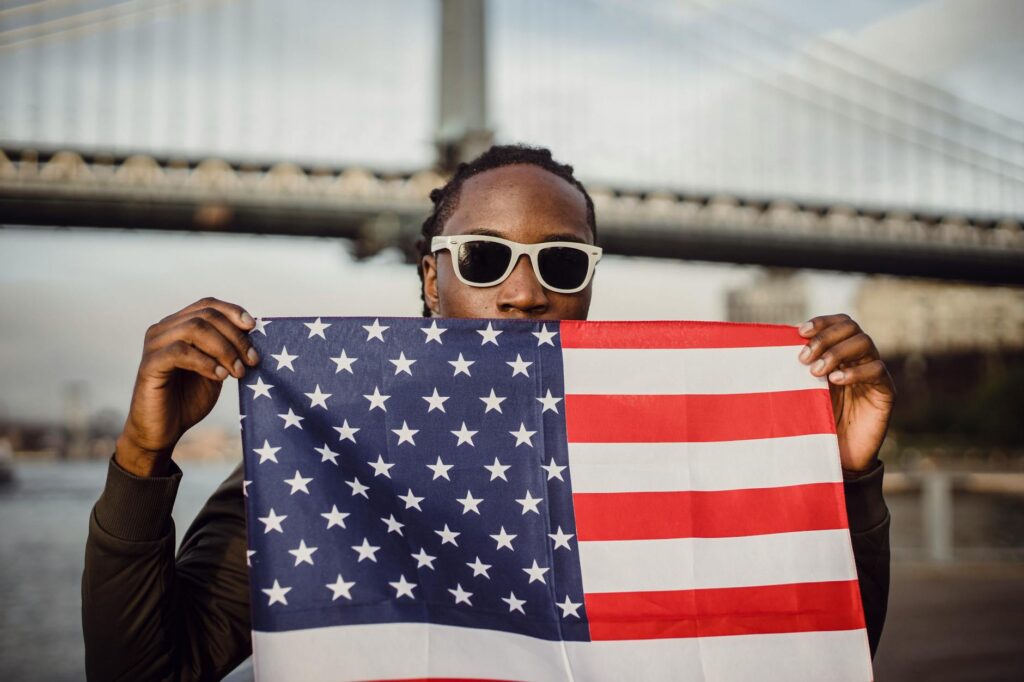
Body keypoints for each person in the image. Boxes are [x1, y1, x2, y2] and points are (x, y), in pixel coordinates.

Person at [82, 144, 894, 681]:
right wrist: (142, 458)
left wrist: (850, 480)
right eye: (484, 255)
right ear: (433, 280)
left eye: (561, 261)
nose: (524, 291)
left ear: (586, 286)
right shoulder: (329, 449)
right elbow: (151, 670)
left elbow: (809, 646)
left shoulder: (672, 448)